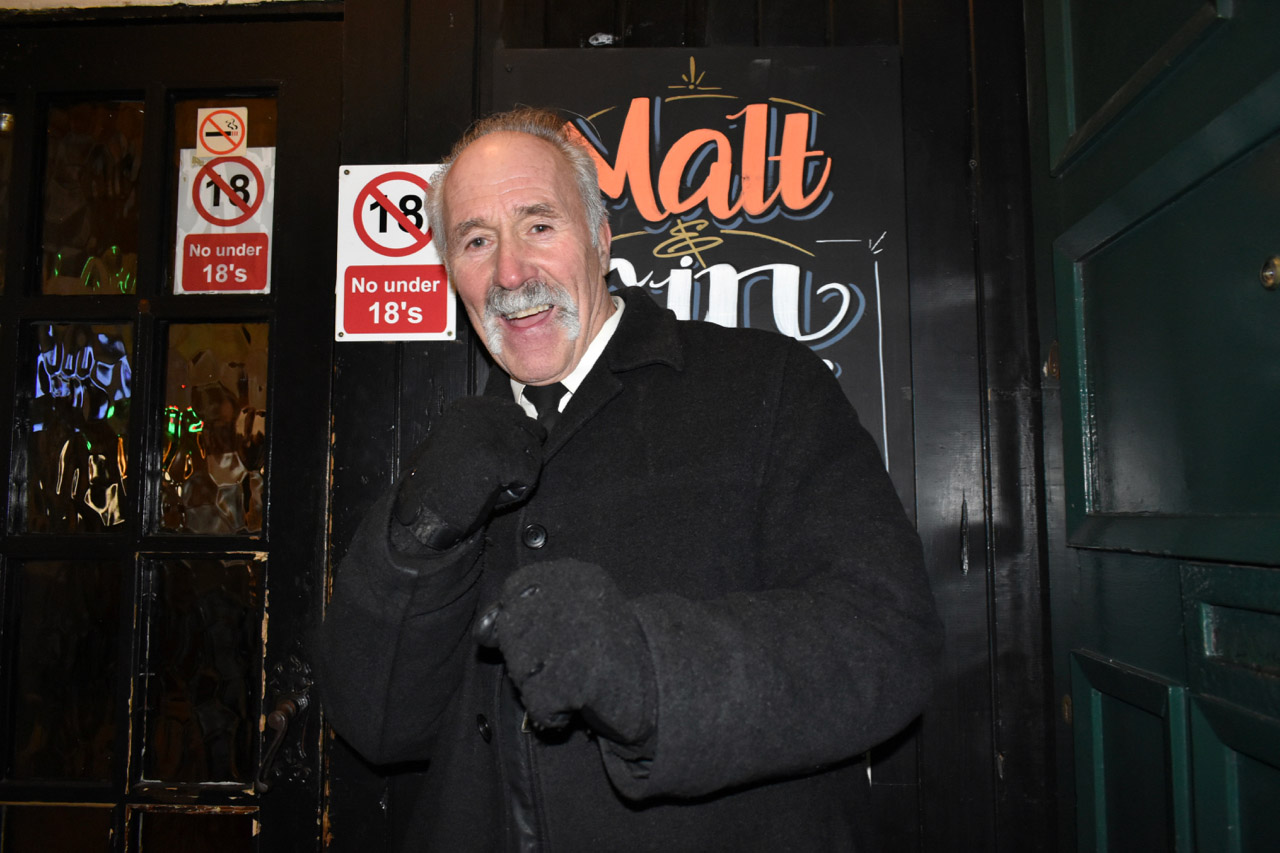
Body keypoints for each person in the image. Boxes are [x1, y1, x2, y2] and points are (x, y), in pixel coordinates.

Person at [319, 107, 943, 851]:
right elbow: (377, 724)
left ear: (600, 236)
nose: (510, 272)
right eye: (476, 240)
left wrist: (646, 668)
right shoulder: (450, 452)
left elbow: (887, 642)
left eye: (538, 225)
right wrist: (416, 536)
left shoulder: (766, 387)